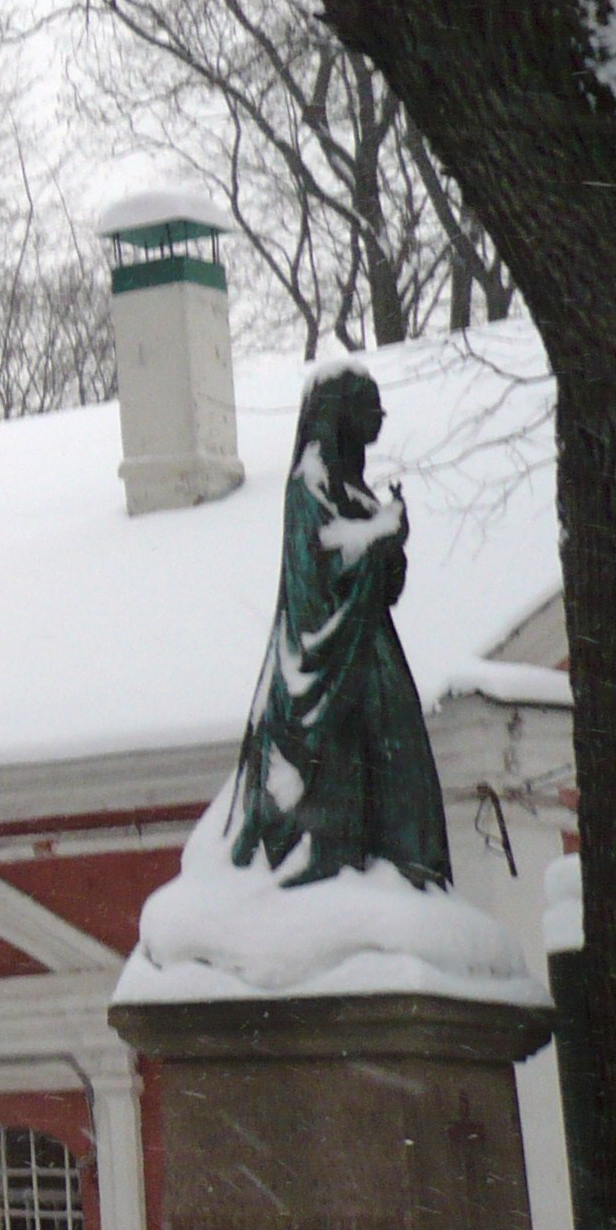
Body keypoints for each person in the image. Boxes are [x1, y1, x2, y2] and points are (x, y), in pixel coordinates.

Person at [227, 361, 451, 888]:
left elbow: (385, 587)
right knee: (377, 760)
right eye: (369, 407)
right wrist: (382, 537)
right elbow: (322, 565)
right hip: (340, 657)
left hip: (371, 650)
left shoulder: (355, 490)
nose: (378, 418)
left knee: (402, 768)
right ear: (340, 414)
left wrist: (390, 541)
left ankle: (406, 870)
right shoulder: (310, 484)